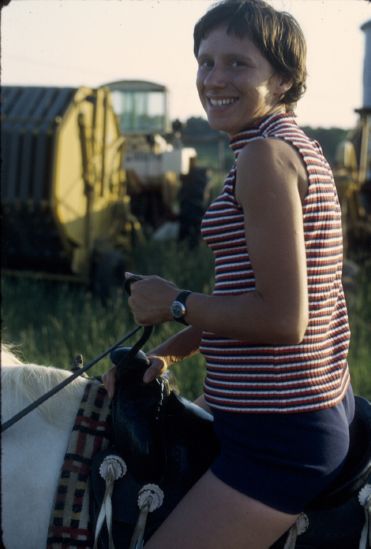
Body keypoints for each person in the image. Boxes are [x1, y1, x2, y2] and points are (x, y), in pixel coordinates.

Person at [104, 1, 354, 547]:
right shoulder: (294, 148)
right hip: (288, 407)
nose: (214, 79)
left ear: (284, 78)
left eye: (237, 64)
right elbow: (244, 296)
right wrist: (168, 352)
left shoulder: (264, 156)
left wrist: (173, 301)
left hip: (278, 435)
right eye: (205, 61)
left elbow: (285, 319)